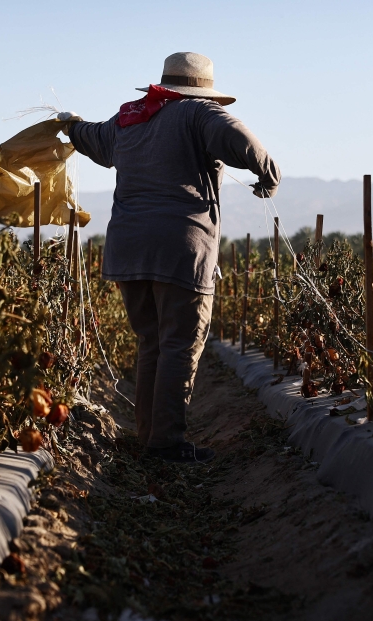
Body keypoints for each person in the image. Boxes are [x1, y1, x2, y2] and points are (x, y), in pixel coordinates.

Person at [60, 52, 280, 463]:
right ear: (202, 90)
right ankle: (166, 445)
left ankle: (149, 437)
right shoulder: (199, 113)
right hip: (181, 249)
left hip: (128, 249)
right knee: (180, 344)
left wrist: (71, 125)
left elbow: (90, 137)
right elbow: (242, 140)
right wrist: (268, 172)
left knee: (151, 343)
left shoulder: (130, 117)